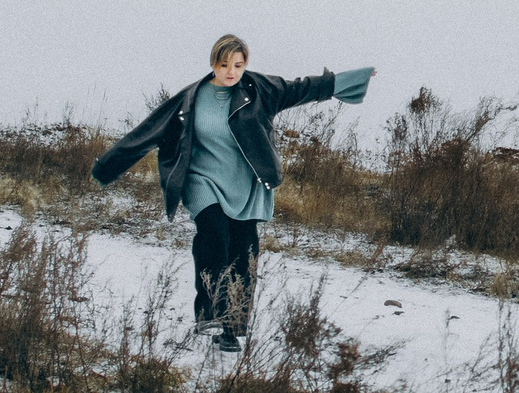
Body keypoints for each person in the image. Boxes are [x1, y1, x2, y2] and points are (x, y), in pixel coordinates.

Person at [91, 35, 372, 350]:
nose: (231, 71)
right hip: (202, 179)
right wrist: (105, 168)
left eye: (238, 65)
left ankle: (231, 326)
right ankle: (209, 313)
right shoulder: (191, 99)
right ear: (213, 63)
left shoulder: (259, 90)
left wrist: (346, 81)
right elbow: (147, 132)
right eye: (224, 64)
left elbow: (299, 88)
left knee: (243, 252)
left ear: (245, 64)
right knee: (214, 236)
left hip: (245, 184)